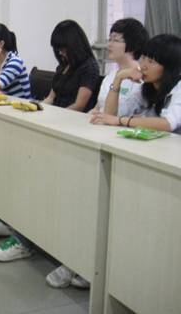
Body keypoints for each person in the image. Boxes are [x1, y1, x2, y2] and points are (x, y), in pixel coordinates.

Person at [45, 18, 150, 289]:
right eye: (110, 37)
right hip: (98, 139)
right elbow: (99, 110)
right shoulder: (112, 75)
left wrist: (103, 113)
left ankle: (86, 264)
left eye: (116, 39)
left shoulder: (141, 76)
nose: (109, 43)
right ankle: (76, 258)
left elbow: (120, 116)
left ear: (132, 44)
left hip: (124, 149)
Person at [91, 34, 181, 134]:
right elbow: (110, 115)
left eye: (151, 62)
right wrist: (118, 79)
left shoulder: (179, 88)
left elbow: (167, 124)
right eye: (143, 58)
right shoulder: (146, 87)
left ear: (169, 68)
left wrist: (121, 120)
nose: (143, 66)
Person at [43, 20, 100, 112]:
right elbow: (50, 98)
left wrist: (56, 115)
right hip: (57, 112)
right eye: (58, 49)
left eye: (62, 49)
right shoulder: (64, 65)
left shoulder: (89, 67)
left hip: (71, 116)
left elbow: (79, 106)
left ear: (74, 46)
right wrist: (39, 108)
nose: (60, 53)